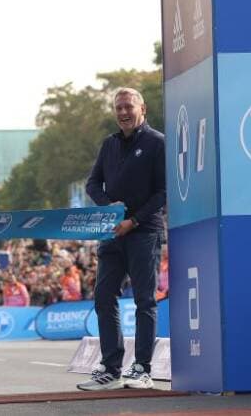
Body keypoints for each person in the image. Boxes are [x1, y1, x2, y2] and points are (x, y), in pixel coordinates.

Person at [77, 88, 165, 391]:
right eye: (118, 108)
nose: (123, 113)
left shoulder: (157, 143)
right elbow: (92, 183)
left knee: (144, 300)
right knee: (103, 297)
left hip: (144, 231)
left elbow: (163, 192)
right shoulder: (109, 144)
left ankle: (142, 367)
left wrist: (134, 219)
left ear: (142, 108)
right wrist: (108, 208)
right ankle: (111, 368)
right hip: (112, 232)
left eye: (128, 106)